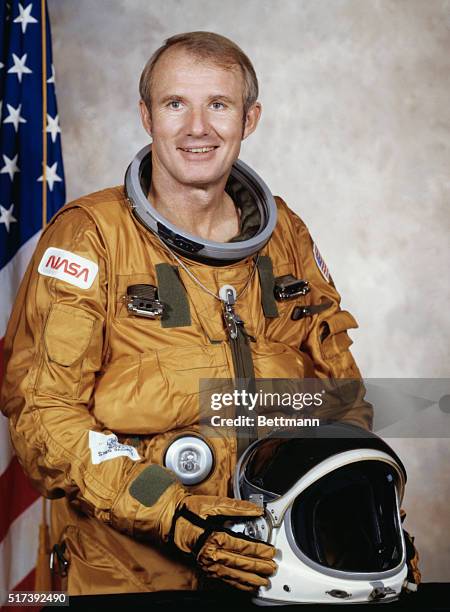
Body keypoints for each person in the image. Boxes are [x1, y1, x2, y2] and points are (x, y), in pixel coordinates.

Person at [1, 32, 375, 595]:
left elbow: (338, 393)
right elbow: (46, 417)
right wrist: (175, 514)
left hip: (281, 572)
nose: (197, 127)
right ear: (146, 116)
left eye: (218, 105)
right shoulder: (89, 238)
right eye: (176, 104)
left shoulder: (286, 235)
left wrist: (362, 516)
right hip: (128, 576)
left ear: (249, 120)